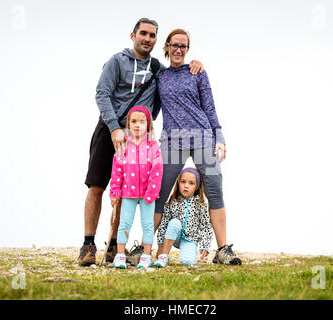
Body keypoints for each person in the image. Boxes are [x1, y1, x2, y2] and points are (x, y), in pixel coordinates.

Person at [78, 18, 203, 266]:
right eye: (143, 33)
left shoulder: (157, 67)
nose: (147, 38)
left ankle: (115, 245)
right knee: (97, 185)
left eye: (152, 35)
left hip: (140, 136)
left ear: (157, 40)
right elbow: (101, 93)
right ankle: (88, 244)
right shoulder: (117, 61)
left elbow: (175, 74)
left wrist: (194, 64)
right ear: (133, 34)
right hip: (110, 129)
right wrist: (115, 128)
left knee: (130, 189)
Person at [154, 29, 242, 265]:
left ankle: (222, 249)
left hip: (203, 138)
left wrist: (219, 137)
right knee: (159, 193)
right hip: (172, 141)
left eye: (184, 46)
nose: (179, 50)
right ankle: (145, 249)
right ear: (167, 45)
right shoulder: (159, 76)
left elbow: (210, 106)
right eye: (175, 45)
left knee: (214, 189)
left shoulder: (198, 72)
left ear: (188, 49)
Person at [109, 106, 163, 269]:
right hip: (128, 193)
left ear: (148, 125)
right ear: (128, 124)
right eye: (133, 121)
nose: (137, 125)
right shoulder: (124, 146)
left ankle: (146, 255)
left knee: (147, 224)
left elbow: (157, 169)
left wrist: (152, 192)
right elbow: (117, 171)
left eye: (141, 122)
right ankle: (119, 255)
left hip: (148, 194)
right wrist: (115, 191)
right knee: (124, 223)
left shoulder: (153, 146)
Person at [155, 168, 213, 267]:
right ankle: (164, 256)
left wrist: (204, 245)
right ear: (178, 183)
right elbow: (163, 224)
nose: (186, 186)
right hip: (174, 235)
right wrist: (161, 243)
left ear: (197, 186)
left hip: (190, 238)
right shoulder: (173, 201)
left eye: (191, 183)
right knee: (174, 223)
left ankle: (188, 253)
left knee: (188, 262)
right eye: (183, 182)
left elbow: (206, 226)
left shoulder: (201, 204)